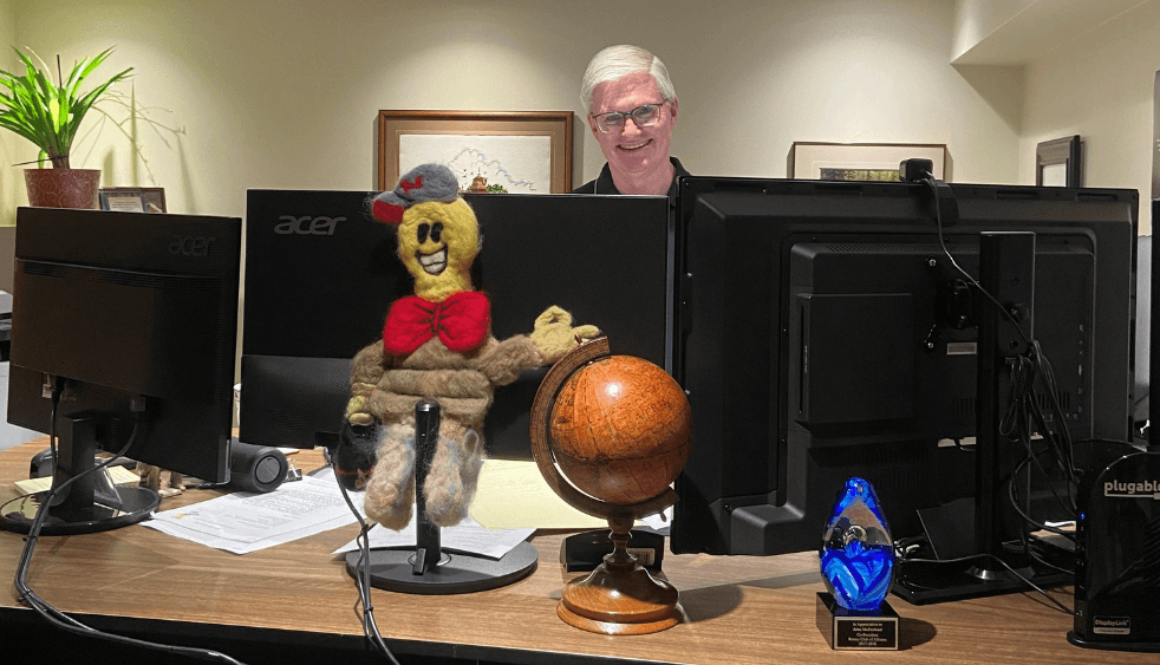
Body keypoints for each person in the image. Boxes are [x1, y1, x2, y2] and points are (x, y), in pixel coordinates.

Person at [573, 45, 689, 198]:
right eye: (612, 117)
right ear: (594, 128)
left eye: (645, 111)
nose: (630, 132)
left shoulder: (719, 211)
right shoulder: (562, 217)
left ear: (673, 111)